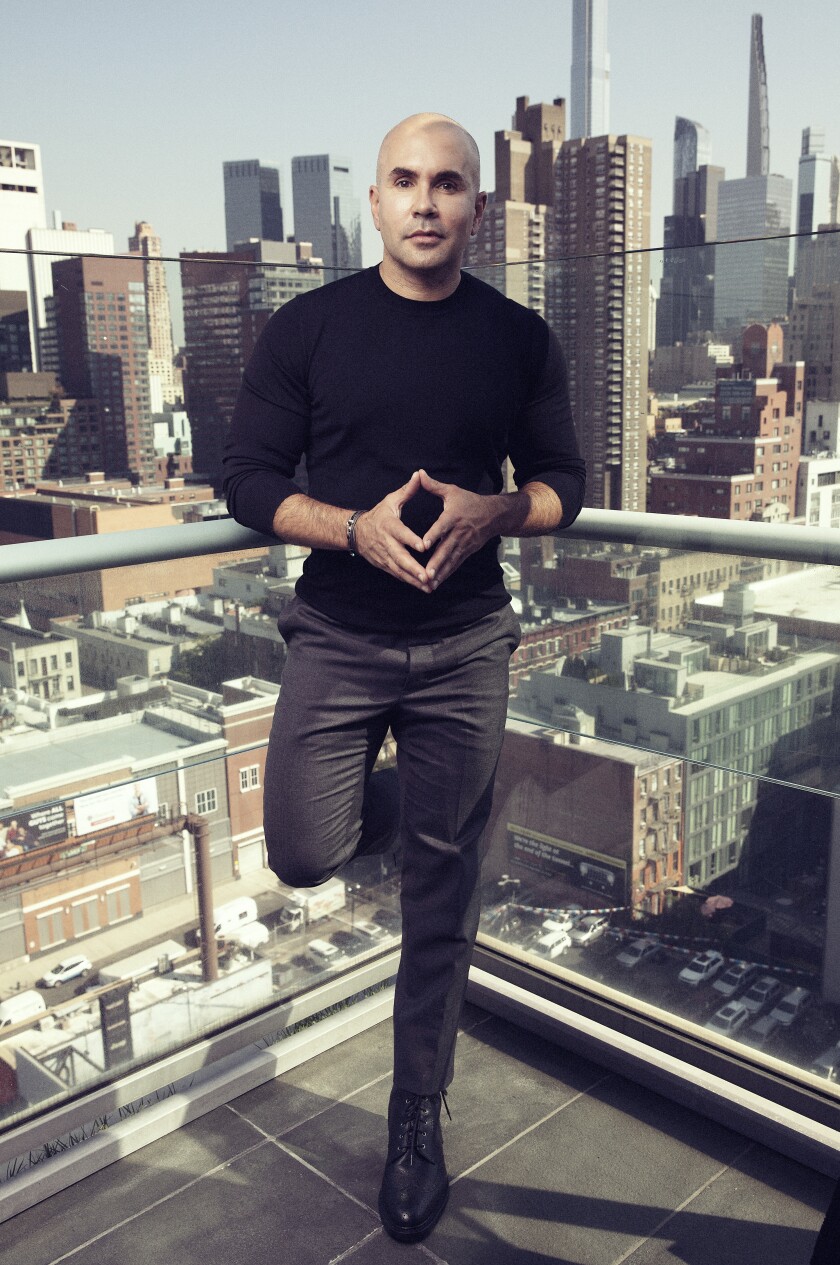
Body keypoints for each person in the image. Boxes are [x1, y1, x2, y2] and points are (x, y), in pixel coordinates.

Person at [223, 112, 585, 1243]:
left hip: (470, 643)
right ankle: (429, 814)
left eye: (450, 185)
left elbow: (570, 476)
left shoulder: (520, 336)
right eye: (406, 182)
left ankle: (416, 1114)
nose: (427, 202)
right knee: (303, 847)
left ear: (479, 207)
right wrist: (348, 528)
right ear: (373, 202)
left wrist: (503, 509)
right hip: (338, 633)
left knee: (442, 893)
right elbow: (246, 479)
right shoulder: (308, 328)